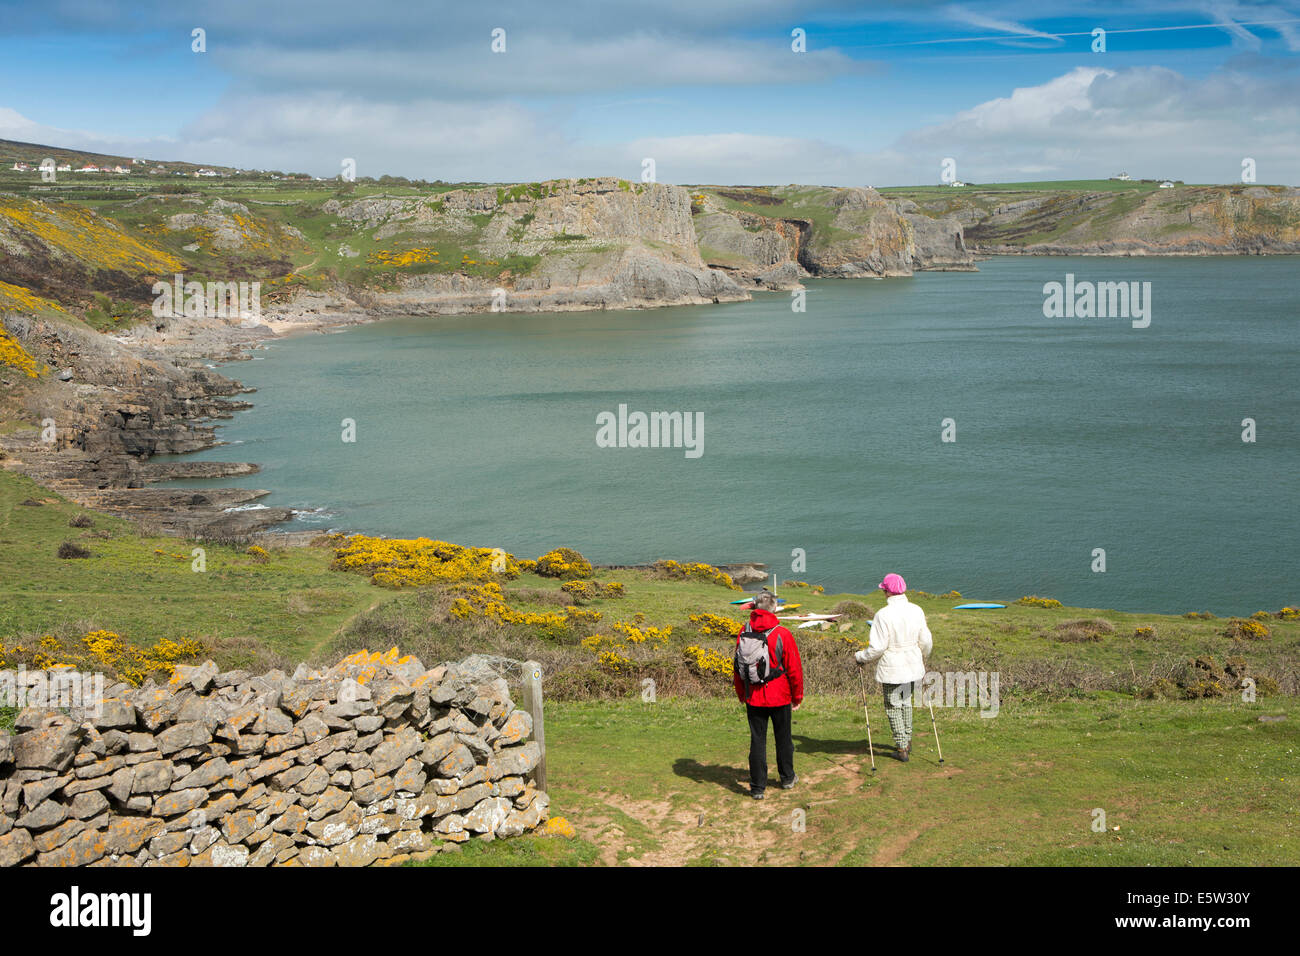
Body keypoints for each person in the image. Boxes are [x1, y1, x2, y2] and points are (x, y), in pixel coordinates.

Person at [733, 590, 804, 799]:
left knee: (757, 741)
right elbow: (794, 670)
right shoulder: (782, 633)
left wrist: (741, 692)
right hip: (779, 695)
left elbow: (737, 666)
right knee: (783, 738)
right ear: (774, 608)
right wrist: (797, 696)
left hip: (753, 696)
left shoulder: (743, 631)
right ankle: (787, 778)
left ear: (754, 608)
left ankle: (757, 788)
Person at [855, 573, 932, 762]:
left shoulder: (883, 615)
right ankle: (907, 739)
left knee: (892, 706)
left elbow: (878, 647)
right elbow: (926, 641)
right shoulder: (917, 610)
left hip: (892, 669)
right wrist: (922, 656)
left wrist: (860, 657)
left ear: (887, 591)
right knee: (905, 702)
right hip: (913, 665)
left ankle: (901, 746)